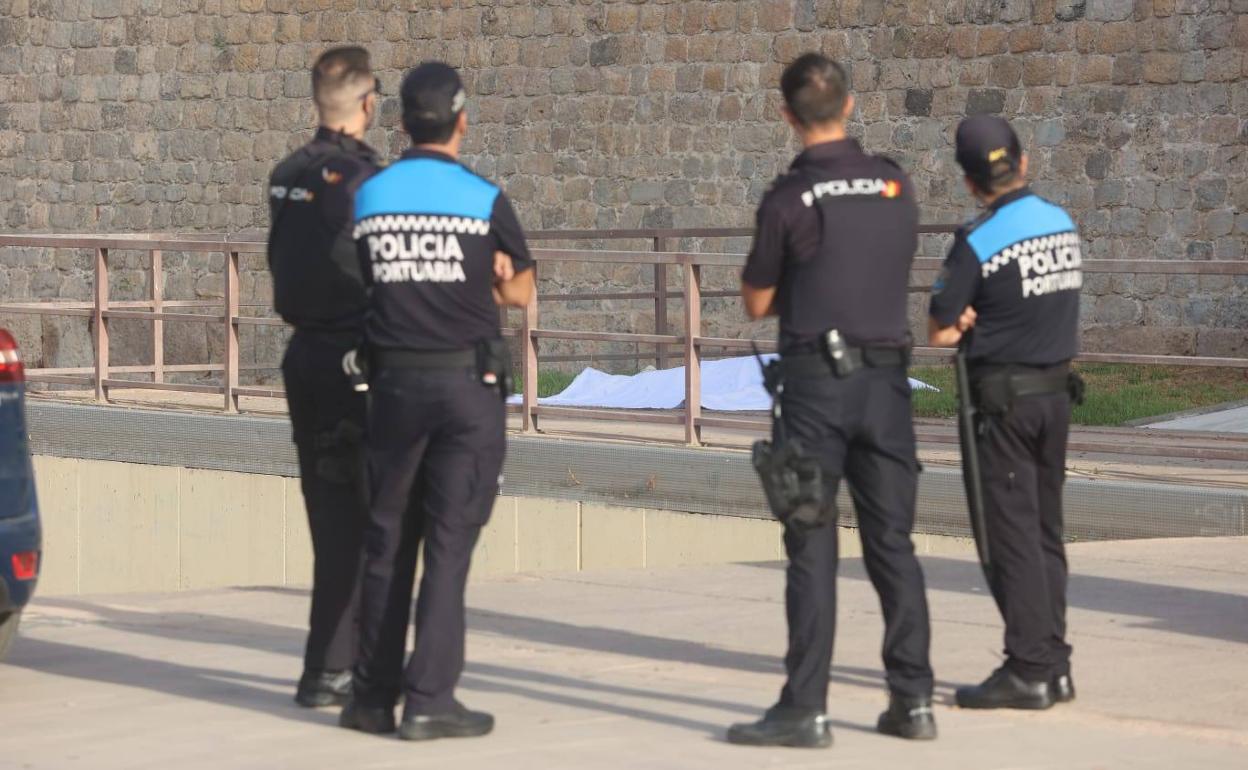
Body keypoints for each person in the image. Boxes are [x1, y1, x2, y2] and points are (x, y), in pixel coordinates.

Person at [728, 53, 935, 748]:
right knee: (894, 546)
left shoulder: (789, 200)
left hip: (818, 384)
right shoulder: (895, 186)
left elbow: (756, 301)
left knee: (812, 545)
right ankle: (913, 701)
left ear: (787, 116)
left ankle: (806, 708)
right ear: (849, 105)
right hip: (888, 384)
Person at [338, 61, 535, 742]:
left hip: (391, 387)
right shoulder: (484, 198)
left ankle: (370, 697)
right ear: (462, 121)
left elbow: (365, 278)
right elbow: (521, 293)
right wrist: (488, 278)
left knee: (386, 539)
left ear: (399, 124)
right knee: (448, 545)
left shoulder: (370, 194)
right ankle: (430, 699)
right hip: (464, 390)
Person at [928, 115, 1082, 710]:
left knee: (1009, 538)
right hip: (1055, 397)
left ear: (968, 182)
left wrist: (962, 320)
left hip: (1003, 407)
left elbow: (941, 330)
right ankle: (1055, 661)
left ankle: (1028, 668)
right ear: (1023, 163)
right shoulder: (1061, 223)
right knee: (1046, 532)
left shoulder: (977, 240)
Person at [266, 46, 381, 709]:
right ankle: (340, 667)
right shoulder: (367, 180)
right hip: (352, 362)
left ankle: (326, 665)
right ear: (367, 104)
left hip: (302, 356)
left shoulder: (286, 173)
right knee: (367, 518)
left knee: (327, 513)